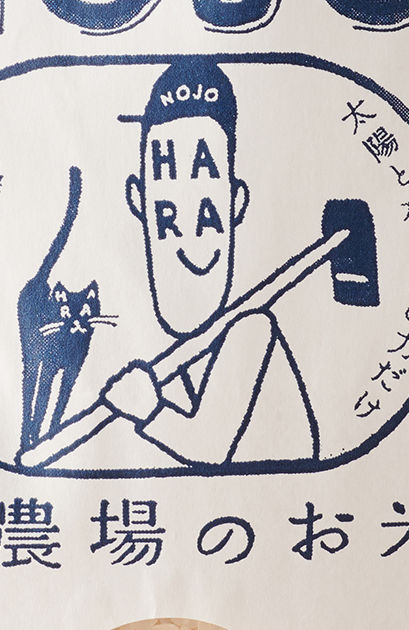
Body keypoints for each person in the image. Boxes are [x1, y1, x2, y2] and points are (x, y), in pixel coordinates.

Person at [98, 59, 317, 467]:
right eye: (167, 214)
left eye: (207, 213)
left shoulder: (251, 327)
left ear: (235, 203)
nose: (188, 241)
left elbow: (210, 448)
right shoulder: (182, 356)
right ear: (138, 201)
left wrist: (147, 408)